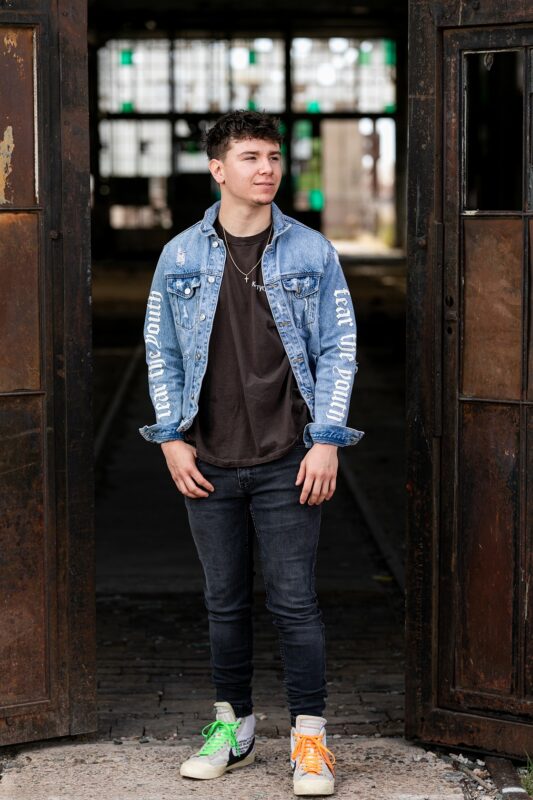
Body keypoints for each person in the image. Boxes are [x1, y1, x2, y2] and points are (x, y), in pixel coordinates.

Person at [139, 110, 363, 797]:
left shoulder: (311, 252)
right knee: (225, 603)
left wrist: (326, 440)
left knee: (294, 603)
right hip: (207, 459)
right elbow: (161, 351)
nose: (266, 169)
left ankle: (309, 740)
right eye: (249, 157)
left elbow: (338, 349)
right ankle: (231, 728)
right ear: (217, 169)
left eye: (272, 157)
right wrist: (170, 439)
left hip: (288, 459)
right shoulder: (180, 255)